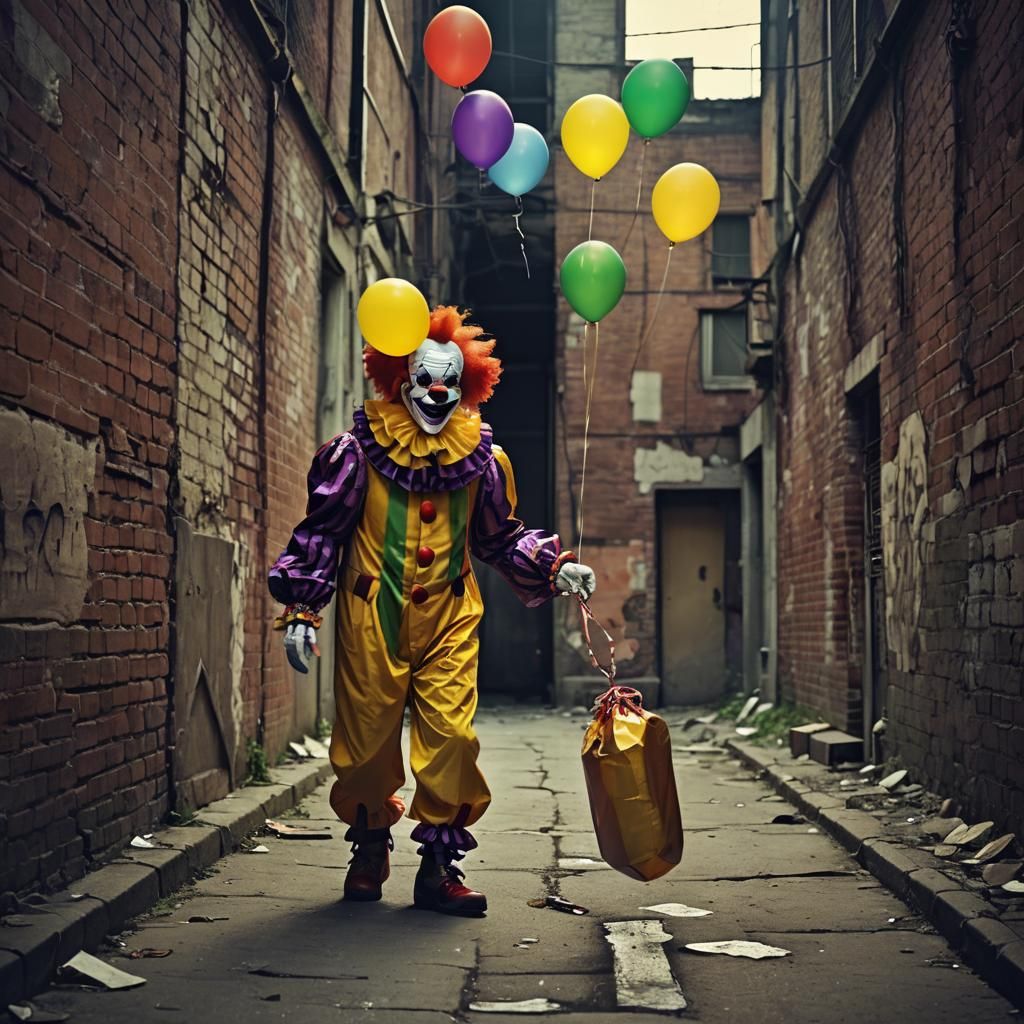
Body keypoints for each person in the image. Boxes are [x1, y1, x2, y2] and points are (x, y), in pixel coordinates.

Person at [268, 305, 596, 916]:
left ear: (467, 383)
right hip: (374, 615)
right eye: (424, 379)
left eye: (448, 379)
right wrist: (302, 609)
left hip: (450, 615)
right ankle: (369, 848)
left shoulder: (482, 459)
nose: (436, 391)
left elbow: (499, 537)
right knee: (365, 744)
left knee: (451, 739)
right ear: (401, 379)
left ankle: (439, 868)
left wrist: (554, 565)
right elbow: (322, 532)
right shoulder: (356, 452)